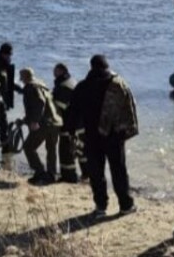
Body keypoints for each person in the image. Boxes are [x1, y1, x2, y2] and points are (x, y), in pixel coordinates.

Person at [65, 55, 138, 216]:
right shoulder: (118, 85)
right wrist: (128, 131)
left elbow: (72, 112)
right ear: (107, 67)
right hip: (114, 136)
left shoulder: (83, 87)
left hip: (91, 136)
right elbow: (129, 108)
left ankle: (100, 207)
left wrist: (70, 132)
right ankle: (126, 205)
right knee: (118, 171)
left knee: (96, 173)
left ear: (91, 67)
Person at [18, 67, 62, 184]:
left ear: (24, 77)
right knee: (51, 149)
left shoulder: (31, 86)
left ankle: (40, 172)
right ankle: (51, 175)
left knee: (28, 147)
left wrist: (34, 121)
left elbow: (40, 102)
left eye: (21, 76)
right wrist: (25, 120)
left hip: (43, 124)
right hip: (55, 122)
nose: (20, 79)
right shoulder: (41, 84)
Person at [52, 63, 82, 183]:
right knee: (78, 149)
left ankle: (69, 176)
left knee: (66, 150)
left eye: (55, 71)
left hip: (68, 123)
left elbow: (59, 105)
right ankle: (84, 175)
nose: (53, 73)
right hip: (78, 122)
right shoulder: (71, 81)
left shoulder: (63, 86)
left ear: (61, 71)